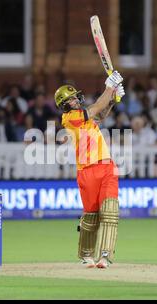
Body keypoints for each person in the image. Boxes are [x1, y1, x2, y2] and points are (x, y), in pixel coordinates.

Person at [54, 71, 124, 269]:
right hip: (86, 171)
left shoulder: (84, 116)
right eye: (72, 98)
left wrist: (113, 99)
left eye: (76, 97)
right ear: (65, 104)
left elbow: (100, 114)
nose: (76, 99)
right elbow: (94, 110)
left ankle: (105, 256)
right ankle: (86, 255)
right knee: (91, 216)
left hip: (107, 166)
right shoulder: (69, 118)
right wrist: (109, 88)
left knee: (110, 211)